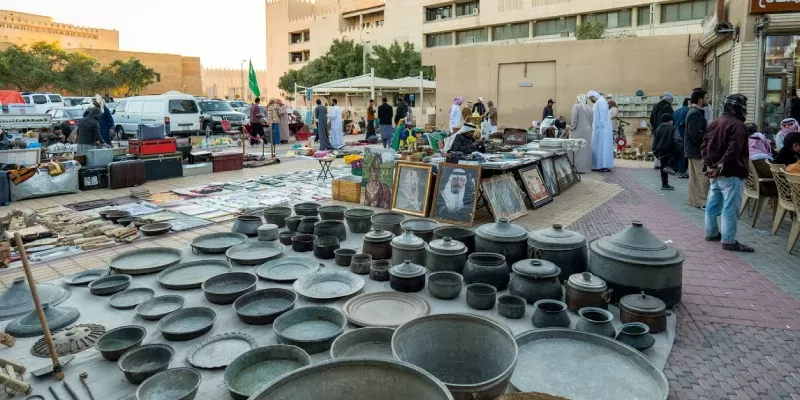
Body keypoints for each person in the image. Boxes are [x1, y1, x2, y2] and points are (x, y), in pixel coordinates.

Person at [702, 93, 753, 252]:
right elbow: (734, 149)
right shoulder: (737, 125)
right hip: (731, 171)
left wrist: (710, 165)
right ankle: (729, 240)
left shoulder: (715, 122)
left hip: (715, 172)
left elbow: (704, 146)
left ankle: (711, 232)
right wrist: (720, 165)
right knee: (730, 207)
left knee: (712, 204)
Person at [685, 89, 710, 209]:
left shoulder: (695, 112)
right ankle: (702, 202)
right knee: (702, 177)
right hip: (696, 150)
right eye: (706, 98)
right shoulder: (695, 113)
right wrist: (705, 146)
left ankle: (694, 200)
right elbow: (696, 135)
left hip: (693, 149)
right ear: (700, 100)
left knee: (695, 177)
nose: (708, 100)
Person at [652, 113, 681, 191]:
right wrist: (678, 148)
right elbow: (677, 140)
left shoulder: (658, 129)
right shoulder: (673, 128)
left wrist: (654, 151)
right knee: (679, 156)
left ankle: (664, 184)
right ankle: (670, 166)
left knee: (663, 167)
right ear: (669, 121)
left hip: (660, 151)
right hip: (670, 150)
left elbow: (654, 141)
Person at [588, 90, 614, 172]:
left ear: (593, 96)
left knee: (603, 147)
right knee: (598, 147)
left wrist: (601, 127)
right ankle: (598, 165)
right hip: (599, 129)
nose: (590, 100)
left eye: (590, 98)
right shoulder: (598, 102)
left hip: (603, 130)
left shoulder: (601, 102)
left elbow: (603, 117)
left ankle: (603, 165)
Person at [570, 94, 593, 174]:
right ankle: (586, 168)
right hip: (588, 132)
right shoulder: (590, 108)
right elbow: (591, 121)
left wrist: (571, 128)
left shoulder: (576, 107)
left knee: (578, 151)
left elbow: (574, 120)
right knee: (586, 151)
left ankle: (578, 169)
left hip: (578, 132)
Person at [672, 98, 691, 177]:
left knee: (677, 151)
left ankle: (675, 168)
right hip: (683, 134)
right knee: (683, 152)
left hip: (675, 133)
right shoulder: (687, 110)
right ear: (688, 103)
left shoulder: (676, 111)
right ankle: (681, 170)